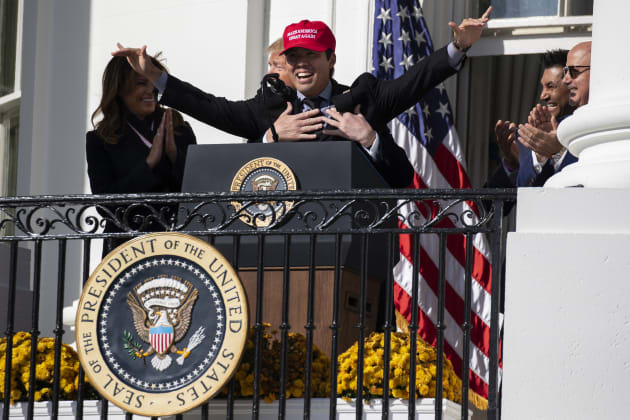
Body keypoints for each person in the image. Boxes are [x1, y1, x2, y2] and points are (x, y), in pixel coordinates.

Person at [113, 8, 491, 188]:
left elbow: (416, 81)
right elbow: (207, 105)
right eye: (294, 57)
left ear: (331, 59)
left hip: (353, 254)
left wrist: (368, 138)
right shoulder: (269, 109)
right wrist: (270, 140)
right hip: (281, 248)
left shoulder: (363, 98)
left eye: (311, 55)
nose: (301, 64)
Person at [86, 55, 197, 254]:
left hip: (175, 246)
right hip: (126, 249)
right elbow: (105, 206)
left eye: (153, 83)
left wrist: (174, 156)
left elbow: (197, 194)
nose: (151, 90)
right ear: (119, 89)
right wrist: (149, 164)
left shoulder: (179, 129)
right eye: (140, 84)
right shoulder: (100, 140)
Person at [490, 49, 578, 188]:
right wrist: (517, 161)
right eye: (542, 87)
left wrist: (558, 151)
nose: (543, 95)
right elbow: (522, 190)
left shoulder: (586, 130)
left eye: (551, 86)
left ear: (571, 85)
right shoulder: (528, 137)